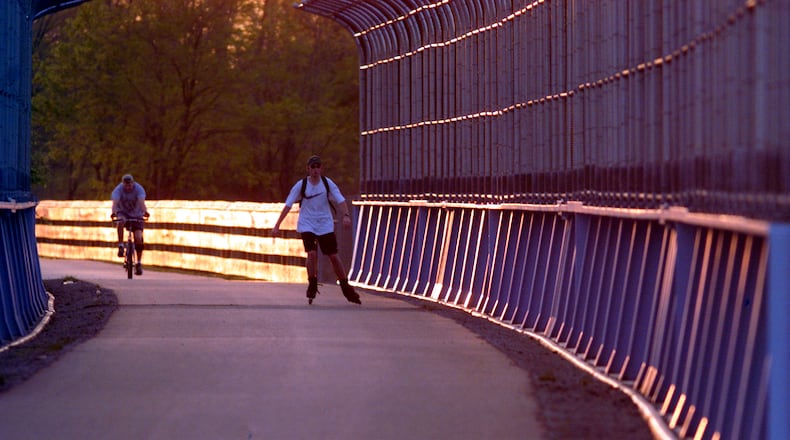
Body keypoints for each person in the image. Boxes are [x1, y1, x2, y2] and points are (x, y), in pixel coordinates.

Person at [272, 155, 361, 305]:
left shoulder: (327, 183)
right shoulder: (301, 185)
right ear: (308, 169)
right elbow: (288, 205)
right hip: (307, 223)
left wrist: (346, 215)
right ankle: (312, 282)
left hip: (324, 224)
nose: (315, 170)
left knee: (333, 256)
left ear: (321, 168)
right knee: (312, 253)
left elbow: (340, 200)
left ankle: (345, 286)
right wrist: (277, 225)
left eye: (318, 166)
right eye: (312, 167)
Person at [110, 174, 149, 275]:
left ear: (133, 183)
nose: (128, 187)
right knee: (120, 222)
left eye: (130, 185)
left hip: (137, 214)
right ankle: (121, 245)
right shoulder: (118, 190)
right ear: (123, 184)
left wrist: (145, 211)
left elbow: (141, 202)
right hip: (123, 212)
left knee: (138, 237)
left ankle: (139, 263)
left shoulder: (139, 189)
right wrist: (114, 212)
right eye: (126, 185)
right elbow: (115, 202)